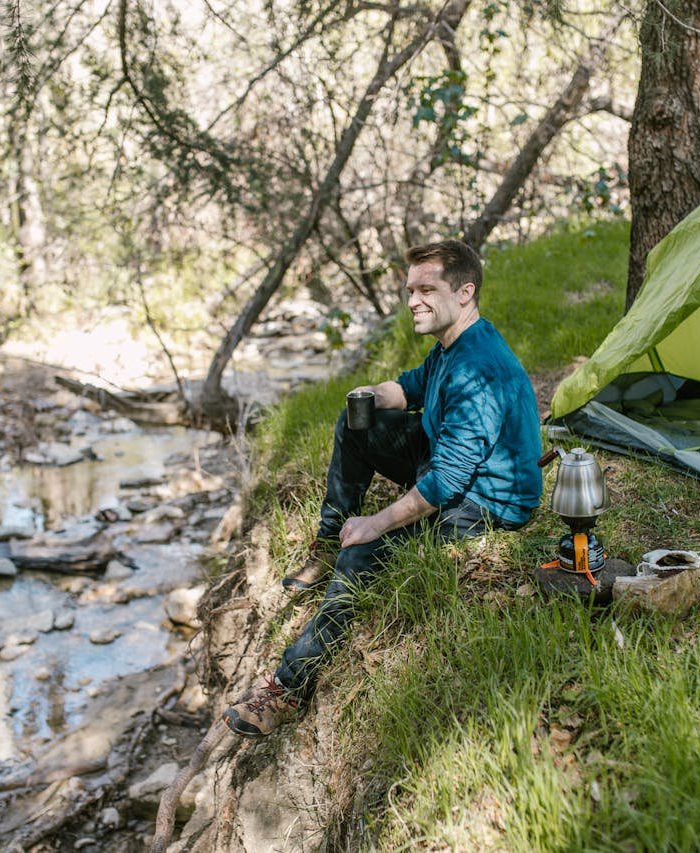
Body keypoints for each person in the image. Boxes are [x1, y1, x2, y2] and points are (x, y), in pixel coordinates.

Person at [222, 239, 542, 738]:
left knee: (366, 553)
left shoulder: (480, 368)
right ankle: (328, 545)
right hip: (448, 465)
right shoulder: (452, 345)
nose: (412, 300)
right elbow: (412, 387)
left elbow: (447, 483)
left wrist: (376, 521)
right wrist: (370, 396)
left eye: (426, 289)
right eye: (409, 289)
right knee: (355, 424)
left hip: (486, 501)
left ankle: (288, 688)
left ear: (464, 292)